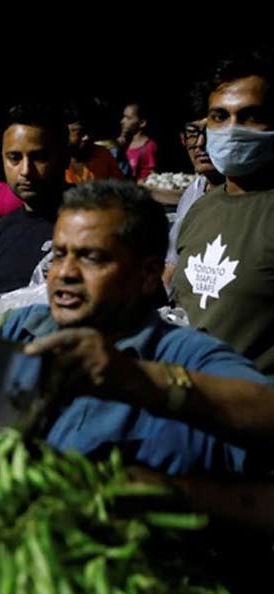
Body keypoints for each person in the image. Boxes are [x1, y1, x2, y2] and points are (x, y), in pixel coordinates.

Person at [0, 180, 272, 476]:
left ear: (149, 274)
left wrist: (138, 378)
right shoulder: (20, 330)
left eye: (92, 258)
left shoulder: (184, 354)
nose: (65, 273)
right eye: (60, 255)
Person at [171, 50, 274, 375]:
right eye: (219, 116)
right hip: (188, 404)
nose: (231, 129)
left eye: (249, 116)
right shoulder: (202, 207)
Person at [0, 104, 69, 303]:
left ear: (65, 158)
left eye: (39, 157)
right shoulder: (2, 230)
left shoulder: (94, 225)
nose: (25, 170)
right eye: (14, 158)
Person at [162, 84, 224, 287]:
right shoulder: (194, 190)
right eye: (192, 133)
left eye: (210, 133)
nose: (200, 143)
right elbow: (172, 263)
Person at [65, 103, 124, 184]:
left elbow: (119, 187)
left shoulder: (104, 155)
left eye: (89, 132)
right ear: (64, 132)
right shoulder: (56, 161)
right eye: (80, 132)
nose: (87, 137)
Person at [119, 102, 158, 182]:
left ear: (142, 123)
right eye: (123, 117)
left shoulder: (149, 147)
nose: (122, 121)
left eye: (128, 118)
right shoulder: (124, 144)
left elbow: (150, 178)